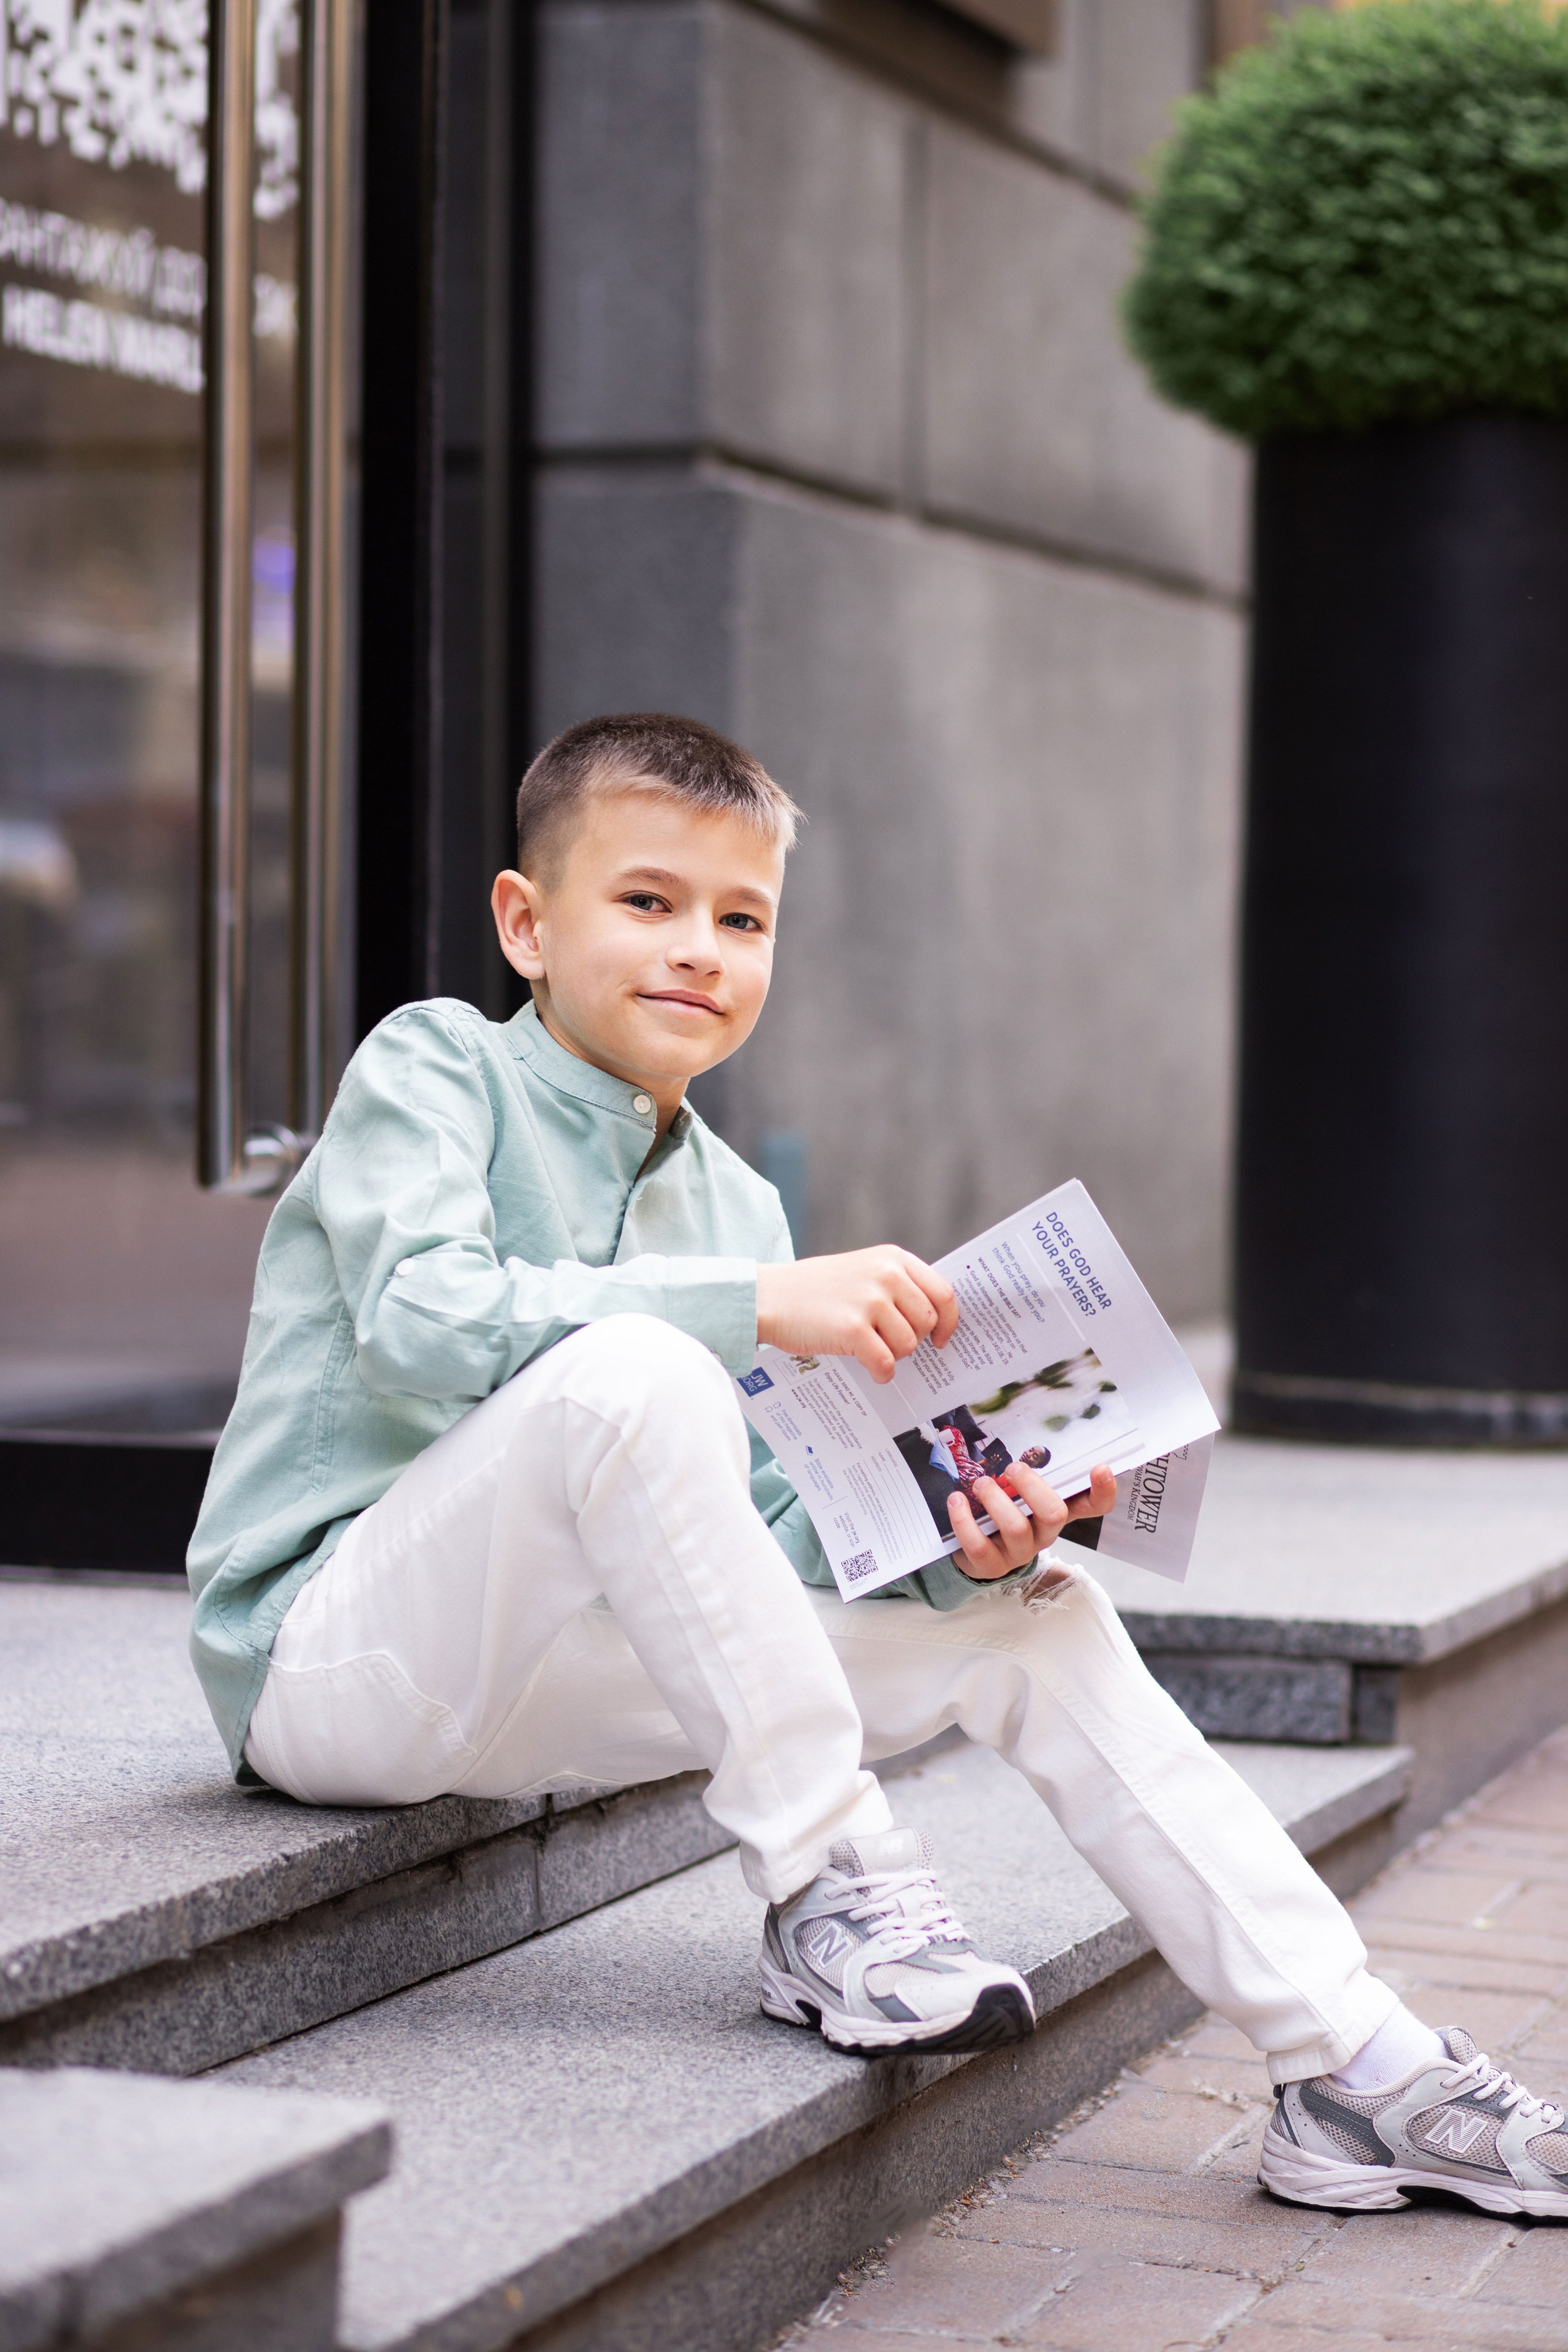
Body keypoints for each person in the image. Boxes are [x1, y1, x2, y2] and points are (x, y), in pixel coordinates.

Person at [189, 714, 1567, 2210]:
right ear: (526, 923)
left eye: (742, 919)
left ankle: (1356, 2072)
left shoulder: (731, 1204)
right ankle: (826, 1890)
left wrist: (954, 1544)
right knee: (635, 1372)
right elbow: (416, 1320)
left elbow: (765, 1531)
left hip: (543, 1685)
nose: (697, 949)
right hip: (330, 1667)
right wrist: (753, 1307)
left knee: (1033, 1620)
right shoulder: (433, 1066)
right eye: (646, 902)